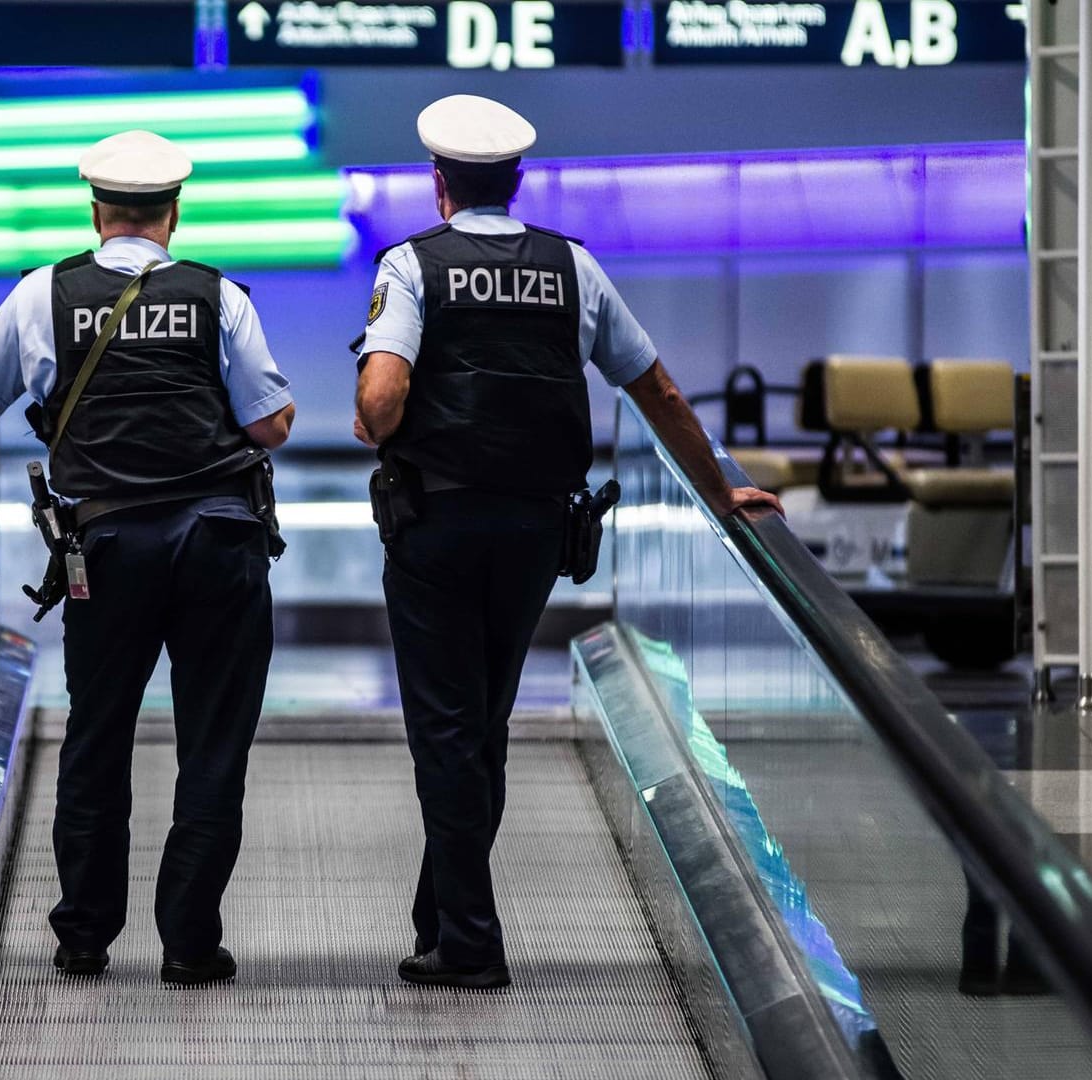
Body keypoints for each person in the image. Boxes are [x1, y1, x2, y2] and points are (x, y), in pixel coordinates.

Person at [354, 94, 783, 989]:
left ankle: (470, 943)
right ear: (514, 183)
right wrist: (721, 489)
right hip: (535, 529)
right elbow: (656, 388)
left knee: (446, 729)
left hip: (435, 524)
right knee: (484, 725)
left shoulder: (413, 265)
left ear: (440, 186)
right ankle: (443, 920)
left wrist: (374, 415)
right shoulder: (571, 268)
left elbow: (383, 400)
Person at [0, 129, 296, 986]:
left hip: (106, 549)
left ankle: (84, 935)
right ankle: (189, 943)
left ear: (97, 211)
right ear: (173, 216)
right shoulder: (217, 296)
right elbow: (269, 426)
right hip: (221, 543)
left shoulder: (44, 293)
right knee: (214, 744)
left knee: (97, 736)